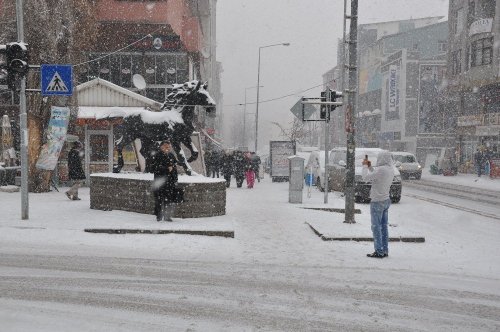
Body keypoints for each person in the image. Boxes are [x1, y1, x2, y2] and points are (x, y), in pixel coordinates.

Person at [361, 151, 394, 258]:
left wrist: (365, 166)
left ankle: (379, 251)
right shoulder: (390, 169)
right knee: (384, 227)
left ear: (382, 158)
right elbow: (376, 175)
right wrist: (370, 167)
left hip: (377, 202)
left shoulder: (381, 170)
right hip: (386, 200)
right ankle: (385, 250)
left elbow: (365, 178)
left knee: (376, 228)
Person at [150, 140, 179, 222]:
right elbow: (153, 168)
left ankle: (167, 216)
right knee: (159, 199)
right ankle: (159, 215)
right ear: (161, 147)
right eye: (166, 147)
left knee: (168, 199)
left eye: (169, 147)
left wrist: (175, 179)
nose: (168, 148)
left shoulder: (171, 155)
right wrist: (166, 169)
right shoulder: (157, 155)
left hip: (169, 181)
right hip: (160, 181)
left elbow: (174, 168)